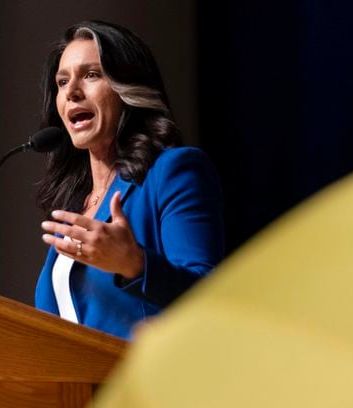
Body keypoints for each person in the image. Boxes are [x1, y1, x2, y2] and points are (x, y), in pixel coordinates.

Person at [35, 20, 224, 339]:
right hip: (77, 388)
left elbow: (208, 297)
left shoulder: (173, 171)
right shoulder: (75, 206)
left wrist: (135, 263)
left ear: (128, 89)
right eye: (62, 81)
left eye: (91, 75)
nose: (72, 92)